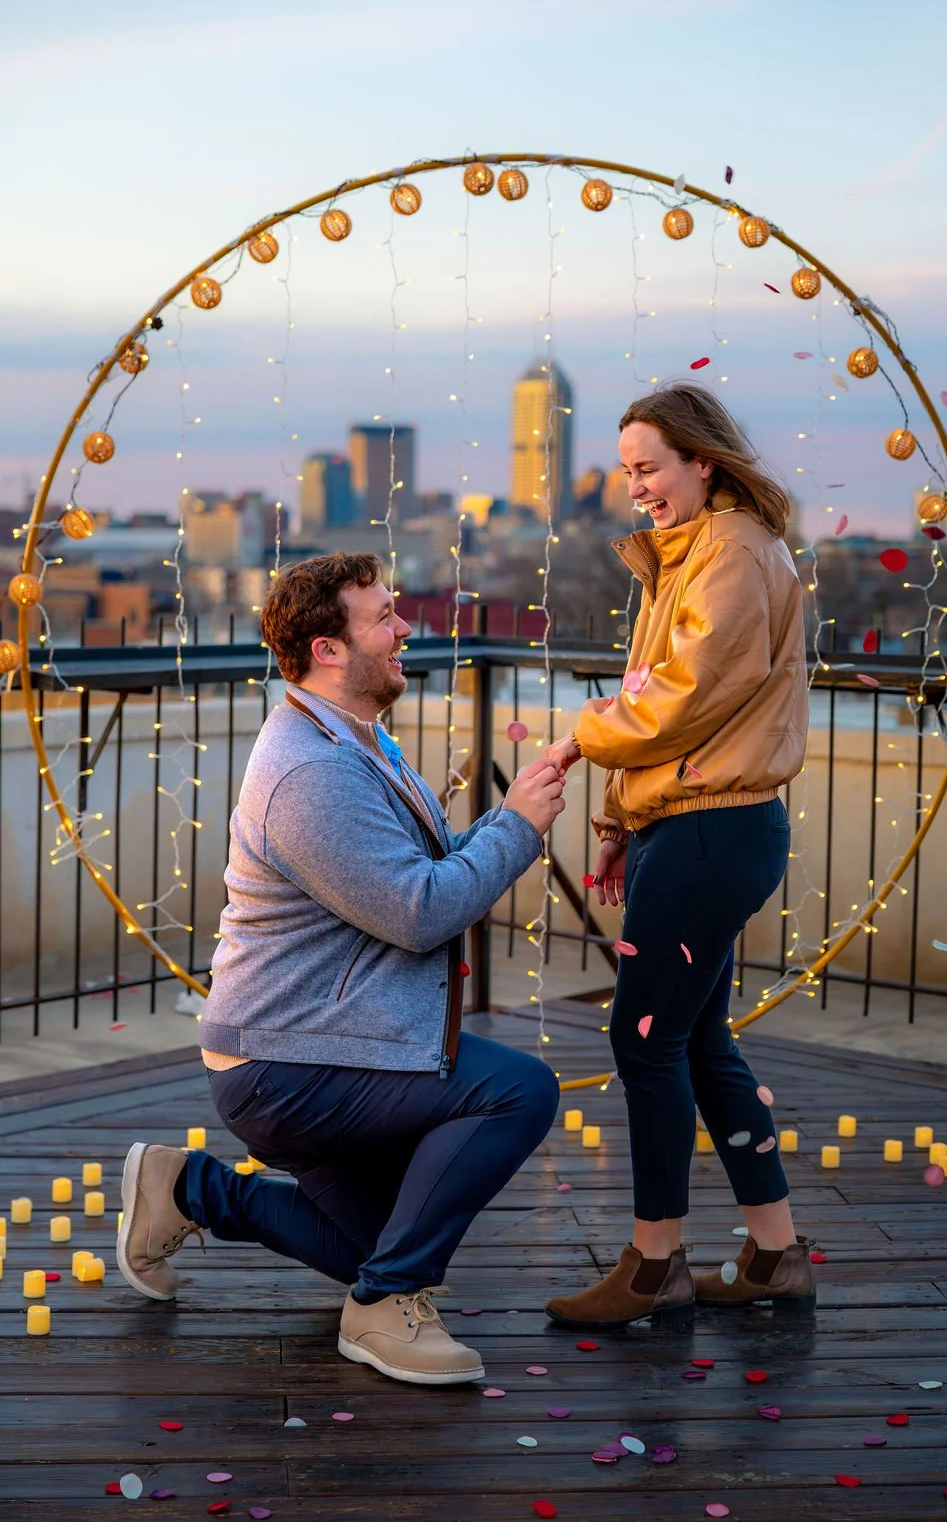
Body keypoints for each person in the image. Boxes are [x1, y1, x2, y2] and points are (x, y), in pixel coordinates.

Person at [116, 552, 564, 1385]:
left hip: (329, 1041)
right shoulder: (311, 771)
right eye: (385, 616)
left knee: (373, 1240)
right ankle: (384, 1307)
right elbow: (418, 912)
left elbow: (416, 872)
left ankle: (188, 1191)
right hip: (288, 1064)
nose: (405, 629)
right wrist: (519, 831)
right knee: (520, 1090)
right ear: (329, 650)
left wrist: (513, 811)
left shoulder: (355, 739)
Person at [543, 382, 812, 1328]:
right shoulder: (696, 554)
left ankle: (654, 1264)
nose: (638, 489)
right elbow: (663, 699)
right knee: (697, 1040)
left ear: (706, 460)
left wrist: (578, 740)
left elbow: (679, 700)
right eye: (626, 472)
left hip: (710, 826)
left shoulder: (732, 553)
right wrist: (621, 828)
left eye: (649, 467)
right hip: (695, 824)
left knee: (643, 1042)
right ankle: (774, 1253)